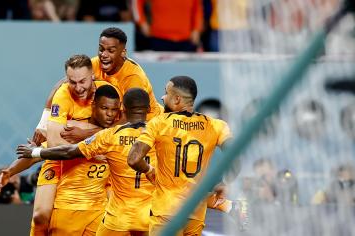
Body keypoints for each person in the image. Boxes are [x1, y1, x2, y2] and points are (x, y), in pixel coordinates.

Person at [0, 55, 120, 236]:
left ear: (92, 76)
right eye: (72, 82)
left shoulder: (108, 92)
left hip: (91, 159)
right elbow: (54, 143)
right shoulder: (63, 95)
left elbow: (119, 127)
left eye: (82, 81)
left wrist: (82, 131)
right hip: (59, 156)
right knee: (41, 216)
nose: (78, 88)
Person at [17, 88, 154, 236]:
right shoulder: (159, 135)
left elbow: (69, 152)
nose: (109, 113)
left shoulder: (109, 136)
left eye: (113, 109)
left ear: (123, 109)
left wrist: (34, 151)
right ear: (149, 108)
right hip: (149, 216)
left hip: (117, 219)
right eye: (105, 108)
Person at [128, 76, 233, 235]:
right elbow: (236, 157)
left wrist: (149, 170)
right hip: (195, 212)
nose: (162, 98)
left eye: (166, 93)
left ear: (176, 99)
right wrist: (224, 183)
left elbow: (134, 159)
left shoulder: (159, 123)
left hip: (166, 212)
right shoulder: (217, 125)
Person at [33, 27, 163, 146]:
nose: (104, 55)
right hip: (113, 122)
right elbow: (61, 85)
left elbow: (128, 119)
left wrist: (87, 135)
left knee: (71, 133)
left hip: (144, 125)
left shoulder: (134, 78)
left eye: (110, 51)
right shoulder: (95, 64)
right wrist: (43, 125)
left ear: (123, 52)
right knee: (59, 128)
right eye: (101, 49)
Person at [133, 0, 203, 52]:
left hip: (186, 41)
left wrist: (196, 29)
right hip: (159, 39)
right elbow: (136, 2)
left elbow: (197, 9)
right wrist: (141, 23)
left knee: (185, 70)